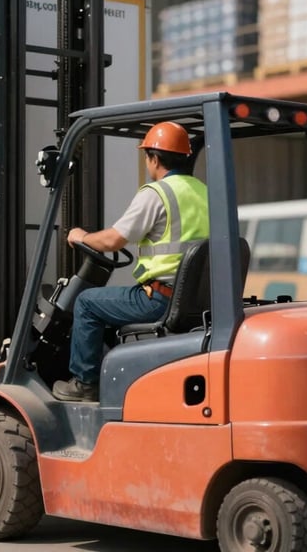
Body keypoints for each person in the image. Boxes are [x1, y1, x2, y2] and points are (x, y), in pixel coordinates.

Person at [52, 121, 209, 403]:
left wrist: (80, 236)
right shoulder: (204, 193)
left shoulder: (157, 193)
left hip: (160, 300)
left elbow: (113, 241)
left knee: (87, 303)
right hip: (198, 303)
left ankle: (85, 383)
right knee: (107, 306)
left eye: (147, 157)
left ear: (154, 158)